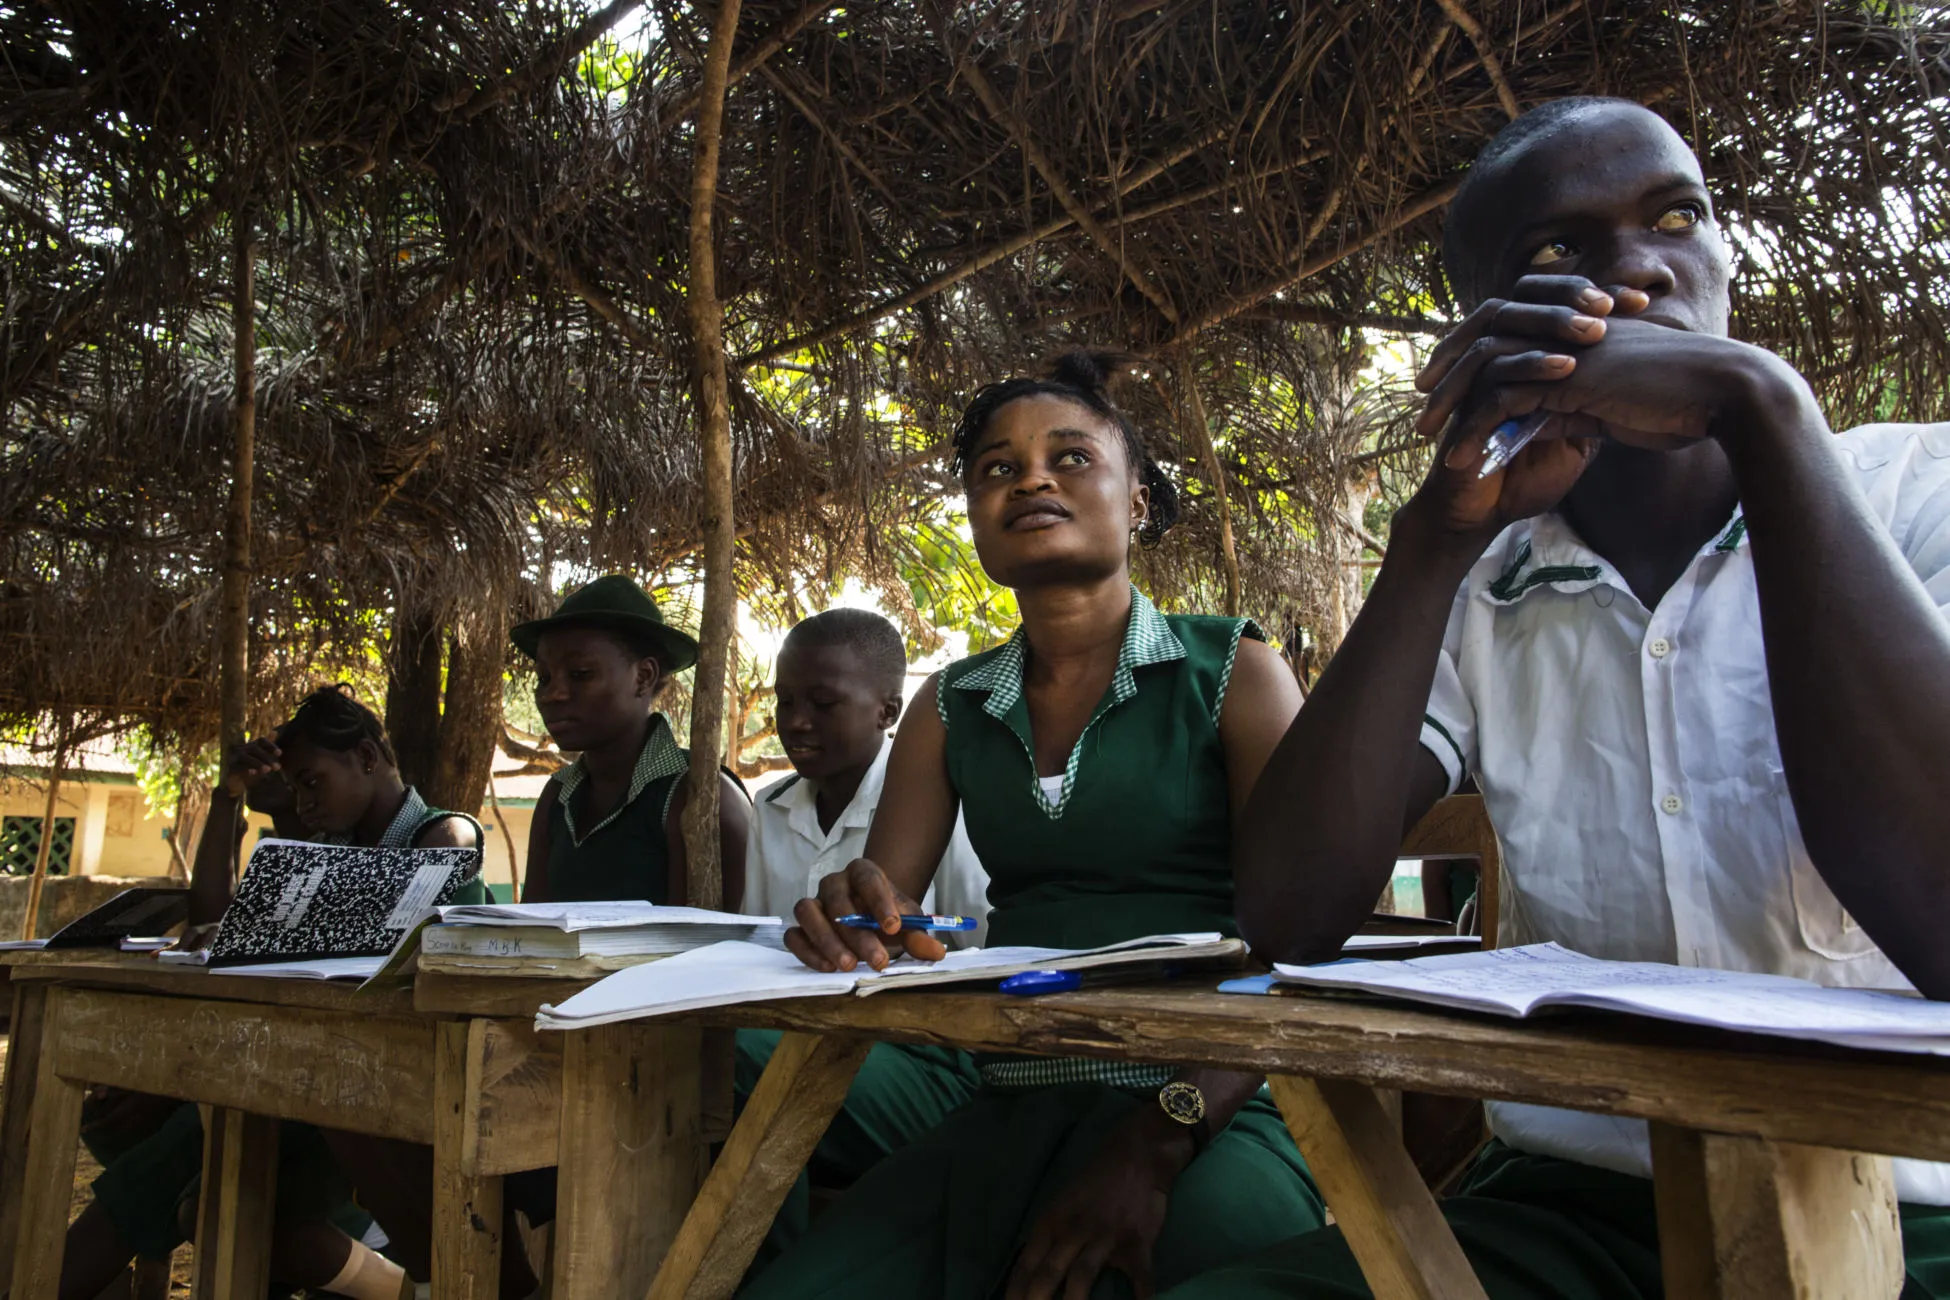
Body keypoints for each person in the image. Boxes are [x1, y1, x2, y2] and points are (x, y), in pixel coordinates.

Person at [1164, 98, 1950, 1299]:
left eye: (1677, 217)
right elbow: (1289, 912)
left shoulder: (1914, 498)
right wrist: (1432, 537)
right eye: (1556, 253)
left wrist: (1761, 406)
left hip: (1914, 1197)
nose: (1638, 266)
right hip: (1577, 1207)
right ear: (1486, 327)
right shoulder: (1481, 575)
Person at [742, 349, 1323, 1300]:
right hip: (1010, 1085)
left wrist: (1163, 1139)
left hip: (1218, 1093)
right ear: (975, 518)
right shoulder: (950, 703)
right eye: (997, 469)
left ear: (1138, 501)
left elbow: (1299, 949)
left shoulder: (1235, 673)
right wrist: (855, 913)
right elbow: (886, 912)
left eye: (1071, 457)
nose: (1032, 480)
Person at [62, 683, 489, 1300]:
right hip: (313, 1079)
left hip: (394, 1095)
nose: (302, 803)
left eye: (312, 783)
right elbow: (211, 920)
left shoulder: (440, 837)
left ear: (367, 758)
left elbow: (431, 884)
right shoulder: (330, 848)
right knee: (165, 1156)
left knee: (182, 1157)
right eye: (293, 791)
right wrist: (227, 797)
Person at [737, 608, 989, 1258]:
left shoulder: (949, 812)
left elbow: (978, 941)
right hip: (800, 1036)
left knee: (739, 1064)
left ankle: (758, 1269)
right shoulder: (770, 810)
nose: (795, 720)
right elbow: (760, 943)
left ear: (887, 710)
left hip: (927, 1057)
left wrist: (916, 937)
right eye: (785, 700)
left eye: (823, 703)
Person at [513, 574, 749, 907]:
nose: (552, 694)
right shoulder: (557, 797)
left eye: (580, 674)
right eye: (544, 678)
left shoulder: (698, 796)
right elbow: (531, 928)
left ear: (644, 676)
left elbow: (707, 946)